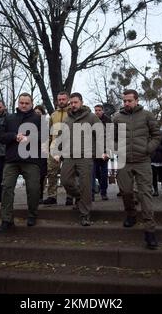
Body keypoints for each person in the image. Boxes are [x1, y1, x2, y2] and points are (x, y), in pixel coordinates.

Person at [113, 89, 161, 250]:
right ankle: (131, 214)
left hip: (143, 161)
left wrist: (148, 149)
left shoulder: (147, 115)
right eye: (124, 101)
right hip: (124, 161)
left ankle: (150, 231)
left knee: (145, 194)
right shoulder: (117, 117)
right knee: (126, 192)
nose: (126, 103)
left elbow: (156, 135)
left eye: (129, 101)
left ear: (136, 100)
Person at [52, 92, 103, 226]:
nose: (73, 105)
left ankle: (85, 214)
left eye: (76, 102)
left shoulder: (91, 117)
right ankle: (80, 198)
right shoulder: (67, 119)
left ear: (81, 102)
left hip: (85, 157)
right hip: (69, 156)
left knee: (85, 185)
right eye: (71, 103)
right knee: (65, 180)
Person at [0, 93, 43, 232]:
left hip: (31, 159)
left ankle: (32, 215)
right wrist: (13, 136)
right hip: (12, 160)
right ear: (18, 103)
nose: (23, 105)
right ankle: (6, 220)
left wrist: (29, 137)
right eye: (21, 103)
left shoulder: (38, 118)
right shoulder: (9, 118)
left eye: (26, 103)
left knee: (34, 189)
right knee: (6, 189)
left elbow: (45, 136)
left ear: (32, 104)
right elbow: (0, 136)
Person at [43, 91, 74, 206]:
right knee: (51, 172)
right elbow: (50, 132)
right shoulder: (53, 115)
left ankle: (70, 196)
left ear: (68, 100)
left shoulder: (72, 113)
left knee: (69, 173)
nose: (61, 101)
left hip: (68, 147)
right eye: (59, 99)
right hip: (55, 147)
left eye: (63, 99)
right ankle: (52, 196)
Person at [92, 104, 112, 201]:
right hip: (94, 151)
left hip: (104, 151)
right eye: (96, 110)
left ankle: (104, 192)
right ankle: (92, 193)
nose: (97, 112)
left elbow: (110, 138)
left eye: (99, 110)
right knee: (93, 172)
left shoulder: (108, 121)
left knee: (104, 173)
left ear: (103, 111)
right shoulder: (91, 120)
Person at [34, 105, 48, 204]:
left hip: (43, 151)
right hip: (32, 151)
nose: (37, 115)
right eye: (35, 113)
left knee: (42, 174)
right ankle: (34, 195)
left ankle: (40, 196)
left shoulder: (46, 123)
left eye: (39, 113)